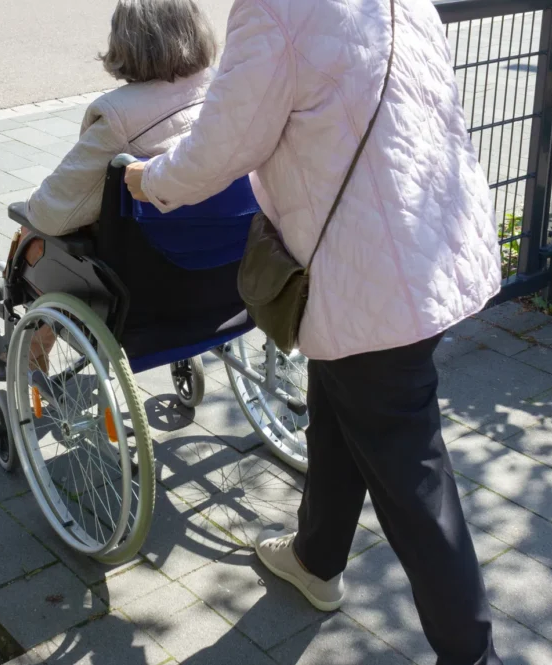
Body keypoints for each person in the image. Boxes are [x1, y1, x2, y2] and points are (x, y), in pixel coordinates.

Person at [124, 0, 503, 662]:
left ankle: (473, 654)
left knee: (410, 468)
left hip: (375, 274)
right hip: (434, 245)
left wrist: (146, 179)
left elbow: (220, 147)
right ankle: (315, 557)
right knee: (339, 398)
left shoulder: (276, 10)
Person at [13, 0, 217, 394]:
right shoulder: (224, 90)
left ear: (127, 42)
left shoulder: (119, 115)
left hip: (144, 285)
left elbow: (54, 212)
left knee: (39, 236)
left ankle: (34, 346)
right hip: (224, 270)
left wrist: (29, 211)